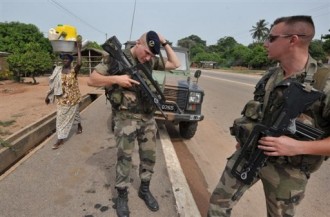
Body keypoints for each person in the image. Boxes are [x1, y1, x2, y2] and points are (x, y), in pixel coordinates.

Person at [207, 15, 330, 217]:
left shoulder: (324, 83)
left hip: (288, 170)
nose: (265, 44)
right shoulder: (271, 76)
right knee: (217, 206)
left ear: (293, 40)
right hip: (250, 154)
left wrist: (297, 146)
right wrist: (244, 140)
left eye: (271, 38)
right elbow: (259, 114)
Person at [87, 30, 180, 217]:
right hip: (126, 118)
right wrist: (116, 79)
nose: (147, 58)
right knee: (125, 159)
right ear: (138, 43)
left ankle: (144, 189)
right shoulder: (114, 59)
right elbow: (92, 80)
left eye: (151, 55)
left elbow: (175, 64)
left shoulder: (151, 60)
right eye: (146, 52)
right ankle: (122, 195)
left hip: (147, 119)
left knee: (149, 157)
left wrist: (165, 42)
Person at [45, 40, 83, 150]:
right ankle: (60, 139)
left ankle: (79, 125)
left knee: (75, 113)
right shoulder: (58, 70)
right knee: (61, 118)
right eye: (63, 59)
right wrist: (48, 96)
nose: (65, 60)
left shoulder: (73, 71)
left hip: (73, 98)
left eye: (67, 58)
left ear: (71, 60)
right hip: (61, 99)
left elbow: (80, 63)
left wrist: (79, 49)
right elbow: (53, 85)